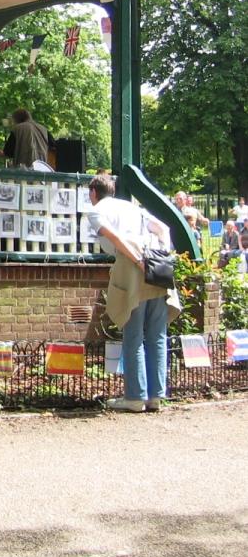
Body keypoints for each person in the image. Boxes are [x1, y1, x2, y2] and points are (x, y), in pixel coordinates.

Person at [88, 174, 181, 413]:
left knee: (133, 335)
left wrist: (138, 261)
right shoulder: (130, 206)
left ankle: (135, 397)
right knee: (157, 334)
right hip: (156, 267)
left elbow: (115, 238)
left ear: (93, 193)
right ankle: (155, 397)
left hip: (133, 267)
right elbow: (163, 228)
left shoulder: (97, 210)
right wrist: (162, 254)